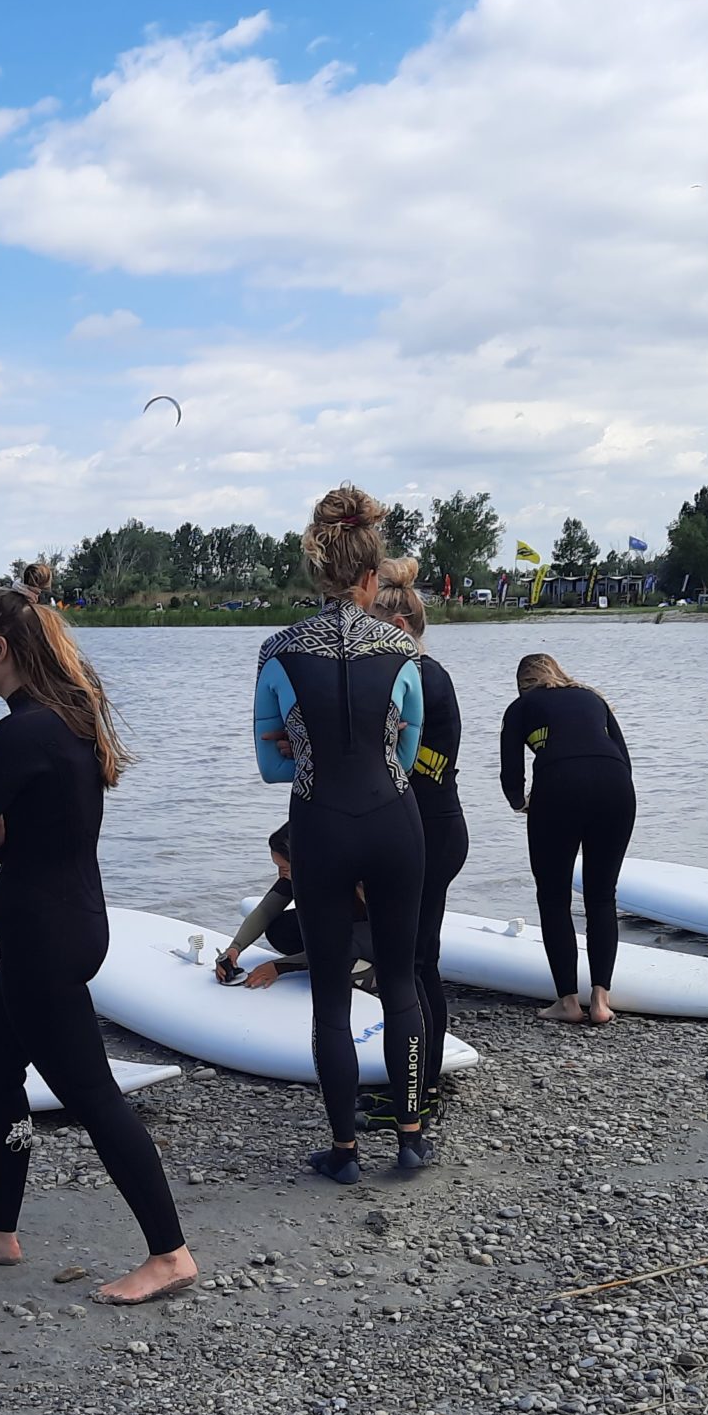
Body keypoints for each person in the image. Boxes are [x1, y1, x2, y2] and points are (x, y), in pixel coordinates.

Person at [0, 585, 197, 1305]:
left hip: (44, 937)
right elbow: (35, 835)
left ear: (0, 650)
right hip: (66, 921)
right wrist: (3, 836)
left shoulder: (18, 734)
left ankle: (169, 1253)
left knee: (92, 1096)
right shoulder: (70, 720)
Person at [254, 485, 430, 1182]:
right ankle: (411, 1139)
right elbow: (408, 758)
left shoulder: (277, 651)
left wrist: (308, 750)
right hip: (394, 821)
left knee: (330, 990)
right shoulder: (404, 650)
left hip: (318, 822)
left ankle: (345, 1152)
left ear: (317, 572)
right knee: (400, 982)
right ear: (370, 577)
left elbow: (271, 764)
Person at [370, 556, 466, 1116]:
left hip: (429, 832)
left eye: (378, 635)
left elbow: (401, 762)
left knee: (409, 966)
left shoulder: (420, 676)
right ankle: (421, 1085)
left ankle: (416, 1091)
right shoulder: (430, 674)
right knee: (418, 962)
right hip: (437, 827)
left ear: (400, 629)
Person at [499, 651, 635, 1023]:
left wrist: (521, 803)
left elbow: (511, 773)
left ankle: (568, 1002)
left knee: (554, 897)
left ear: (523, 682)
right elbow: (623, 756)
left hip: (559, 789)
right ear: (557, 672)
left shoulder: (521, 706)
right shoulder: (593, 697)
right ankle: (602, 1000)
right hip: (616, 788)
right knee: (602, 895)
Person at [213, 824, 373, 990]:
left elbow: (344, 940)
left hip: (385, 940)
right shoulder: (303, 872)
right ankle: (319, 960)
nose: (281, 875)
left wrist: (279, 967)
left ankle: (372, 977)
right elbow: (265, 911)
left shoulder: (360, 879)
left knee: (339, 952)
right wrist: (234, 949)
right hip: (347, 935)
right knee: (281, 929)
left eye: (284, 868)